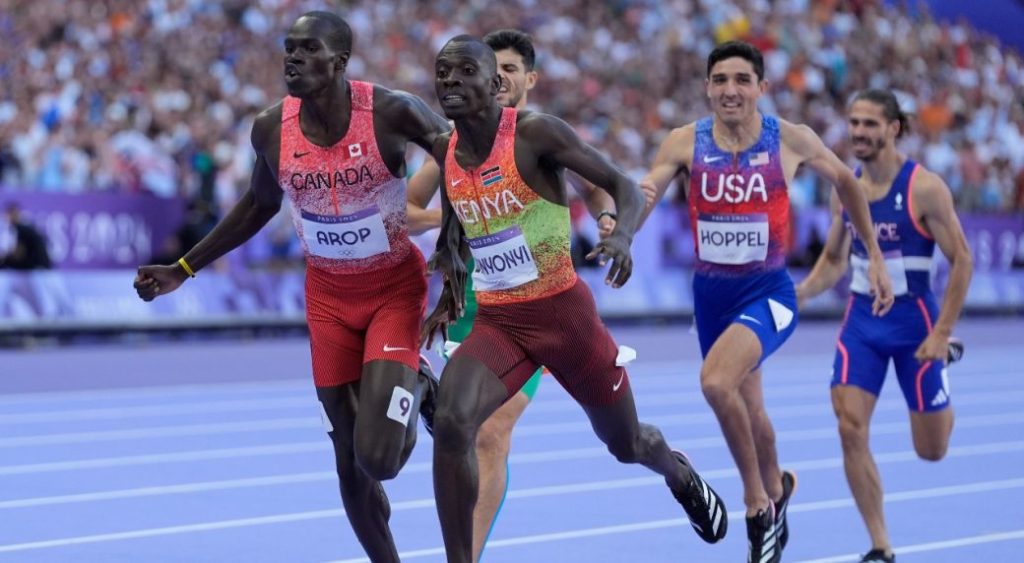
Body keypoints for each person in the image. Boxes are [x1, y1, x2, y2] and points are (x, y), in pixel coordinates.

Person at [132, 12, 449, 563]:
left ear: (341, 61)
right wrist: (182, 269)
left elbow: (459, 161)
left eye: (308, 49)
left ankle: (419, 382)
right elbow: (259, 205)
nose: (293, 59)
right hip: (327, 301)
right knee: (347, 460)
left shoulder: (391, 113)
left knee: (379, 459)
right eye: (288, 49)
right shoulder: (270, 128)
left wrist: (458, 249)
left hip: (393, 291)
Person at [423, 35, 728, 563]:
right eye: (442, 72)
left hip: (564, 318)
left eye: (463, 72)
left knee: (627, 444)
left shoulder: (533, 134)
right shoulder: (447, 152)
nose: (449, 81)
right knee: (453, 422)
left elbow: (624, 186)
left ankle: (678, 473)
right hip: (498, 323)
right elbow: (458, 229)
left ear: (495, 84)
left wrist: (622, 235)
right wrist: (449, 292)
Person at [640, 41, 895, 563]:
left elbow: (848, 181)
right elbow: (648, 189)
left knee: (714, 382)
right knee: (751, 411)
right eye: (720, 80)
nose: (730, 90)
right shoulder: (684, 142)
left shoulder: (792, 140)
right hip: (711, 298)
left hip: (769, 293)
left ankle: (757, 505)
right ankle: (779, 493)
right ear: (708, 87)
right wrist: (619, 227)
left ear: (761, 87)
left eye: (741, 79)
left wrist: (873, 254)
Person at [406, 29, 616, 561]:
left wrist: (610, 221)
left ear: (529, 79)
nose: (497, 79)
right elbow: (404, 212)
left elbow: (597, 189)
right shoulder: (454, 146)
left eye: (507, 71)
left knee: (492, 431)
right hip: (471, 306)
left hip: (537, 302)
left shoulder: (539, 137)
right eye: (488, 69)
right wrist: (451, 215)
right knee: (467, 430)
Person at [795, 89, 972, 563]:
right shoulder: (846, 186)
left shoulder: (925, 188)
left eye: (870, 124)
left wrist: (941, 331)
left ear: (894, 128)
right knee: (850, 428)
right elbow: (834, 260)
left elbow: (963, 262)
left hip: (918, 328)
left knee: (930, 450)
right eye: (854, 123)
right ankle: (880, 545)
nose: (859, 133)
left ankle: (947, 365)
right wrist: (799, 295)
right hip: (862, 327)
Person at [0, 202, 52, 270]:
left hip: (38, 269)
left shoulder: (22, 229)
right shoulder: (21, 228)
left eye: (11, 214)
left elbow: (19, 254)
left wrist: (4, 258)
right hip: (38, 267)